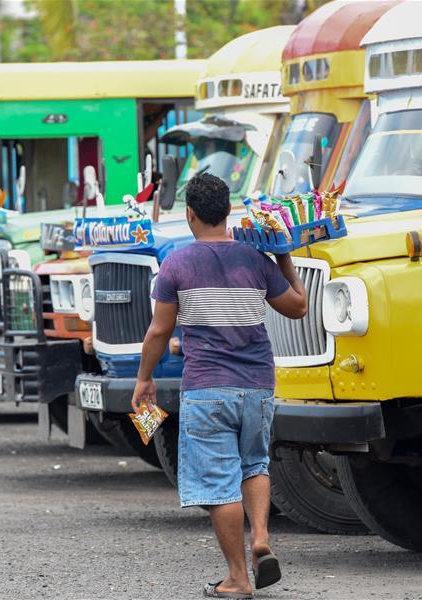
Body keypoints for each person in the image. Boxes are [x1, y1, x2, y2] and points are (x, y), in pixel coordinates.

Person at [131, 173, 307, 599]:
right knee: (255, 465)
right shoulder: (256, 260)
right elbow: (298, 307)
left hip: (207, 388)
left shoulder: (177, 264)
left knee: (218, 483)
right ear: (228, 212)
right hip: (257, 387)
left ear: (190, 214)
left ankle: (238, 577)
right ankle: (261, 537)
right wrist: (283, 255)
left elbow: (159, 332)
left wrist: (144, 378)